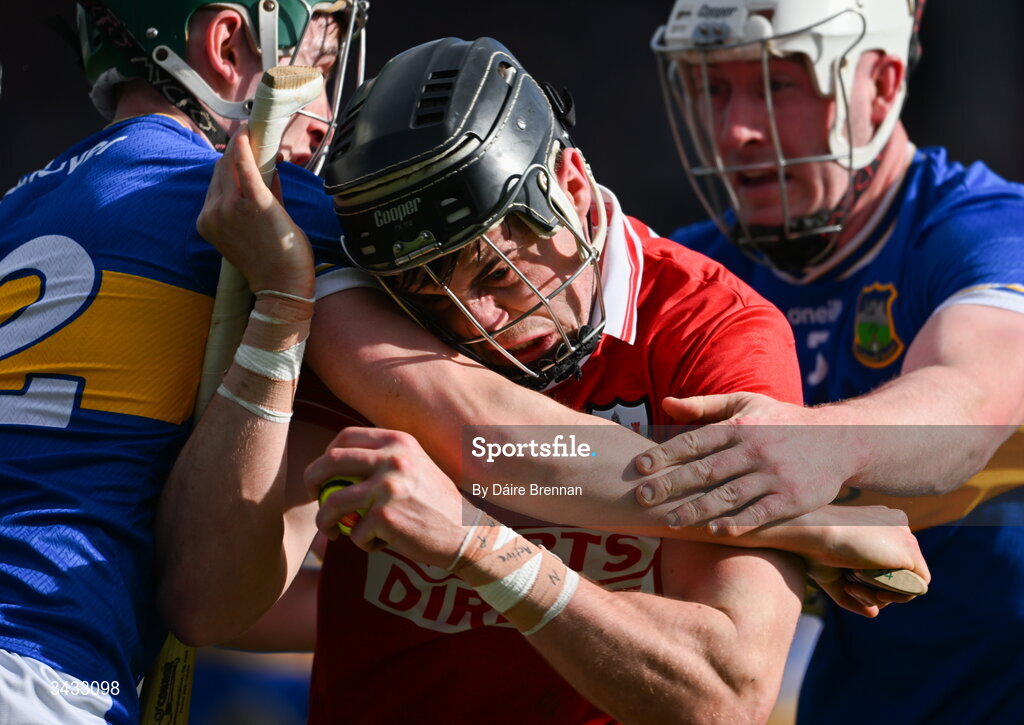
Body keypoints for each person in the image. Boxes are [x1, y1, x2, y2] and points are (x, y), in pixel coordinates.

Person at [175, 36, 932, 723]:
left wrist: (483, 551)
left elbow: (724, 694)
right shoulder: (369, 304)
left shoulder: (709, 329)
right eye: (431, 295)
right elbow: (213, 604)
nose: (475, 321)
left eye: (495, 272)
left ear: (568, 180)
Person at [645, 1, 1024, 723]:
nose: (736, 132)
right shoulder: (694, 272)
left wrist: (812, 448)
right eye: (714, 90)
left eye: (773, 87)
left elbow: (971, 401)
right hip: (856, 699)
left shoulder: (988, 228)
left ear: (880, 84)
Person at [0, 1, 365, 721]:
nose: (324, 114)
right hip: (43, 673)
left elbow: (196, 590)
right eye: (317, 68)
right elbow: (468, 405)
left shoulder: (16, 211)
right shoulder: (258, 201)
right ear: (228, 45)